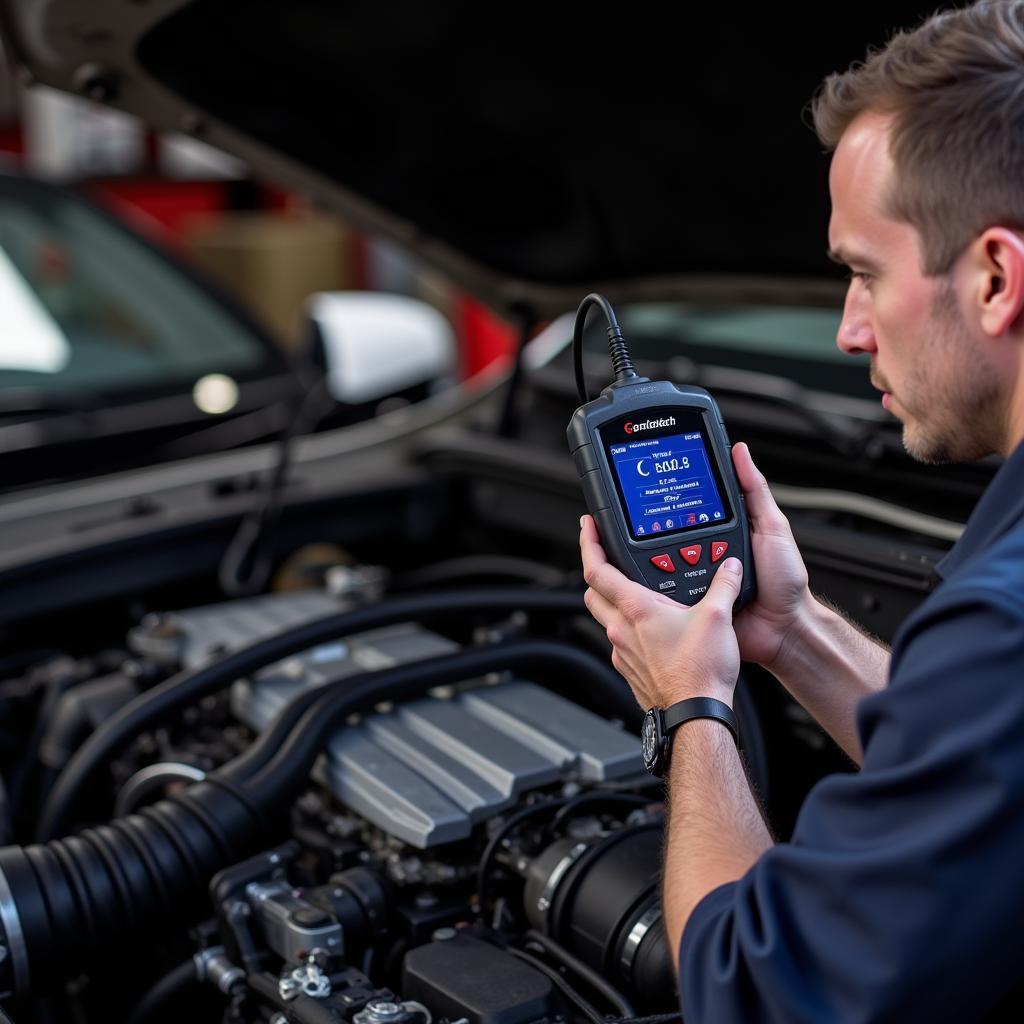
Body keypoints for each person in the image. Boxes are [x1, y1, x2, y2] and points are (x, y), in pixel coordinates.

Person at [579, 2, 1024, 1020]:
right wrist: (791, 633)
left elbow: (756, 984)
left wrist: (691, 707)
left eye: (864, 274)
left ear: (995, 277)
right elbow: (973, 773)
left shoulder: (1001, 622)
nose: (846, 331)